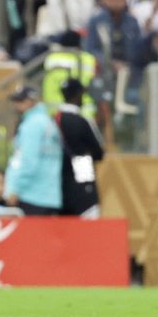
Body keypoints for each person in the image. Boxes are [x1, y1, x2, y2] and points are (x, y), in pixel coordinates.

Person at [3, 84, 61, 215]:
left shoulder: (32, 125)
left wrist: (15, 189)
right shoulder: (48, 122)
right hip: (49, 194)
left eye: (20, 101)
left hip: (31, 194)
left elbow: (28, 161)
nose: (16, 105)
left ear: (30, 101)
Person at [55, 80, 104, 217]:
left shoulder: (54, 119)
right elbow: (98, 153)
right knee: (88, 212)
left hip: (59, 181)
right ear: (79, 94)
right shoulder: (82, 121)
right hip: (82, 174)